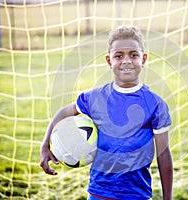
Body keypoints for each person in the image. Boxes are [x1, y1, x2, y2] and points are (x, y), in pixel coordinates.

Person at [40, 25, 173, 200]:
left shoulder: (155, 104)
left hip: (137, 194)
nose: (126, 61)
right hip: (98, 193)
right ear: (109, 61)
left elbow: (163, 154)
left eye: (134, 55)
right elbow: (64, 112)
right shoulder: (95, 98)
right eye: (119, 56)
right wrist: (45, 145)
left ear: (144, 59)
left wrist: (167, 198)